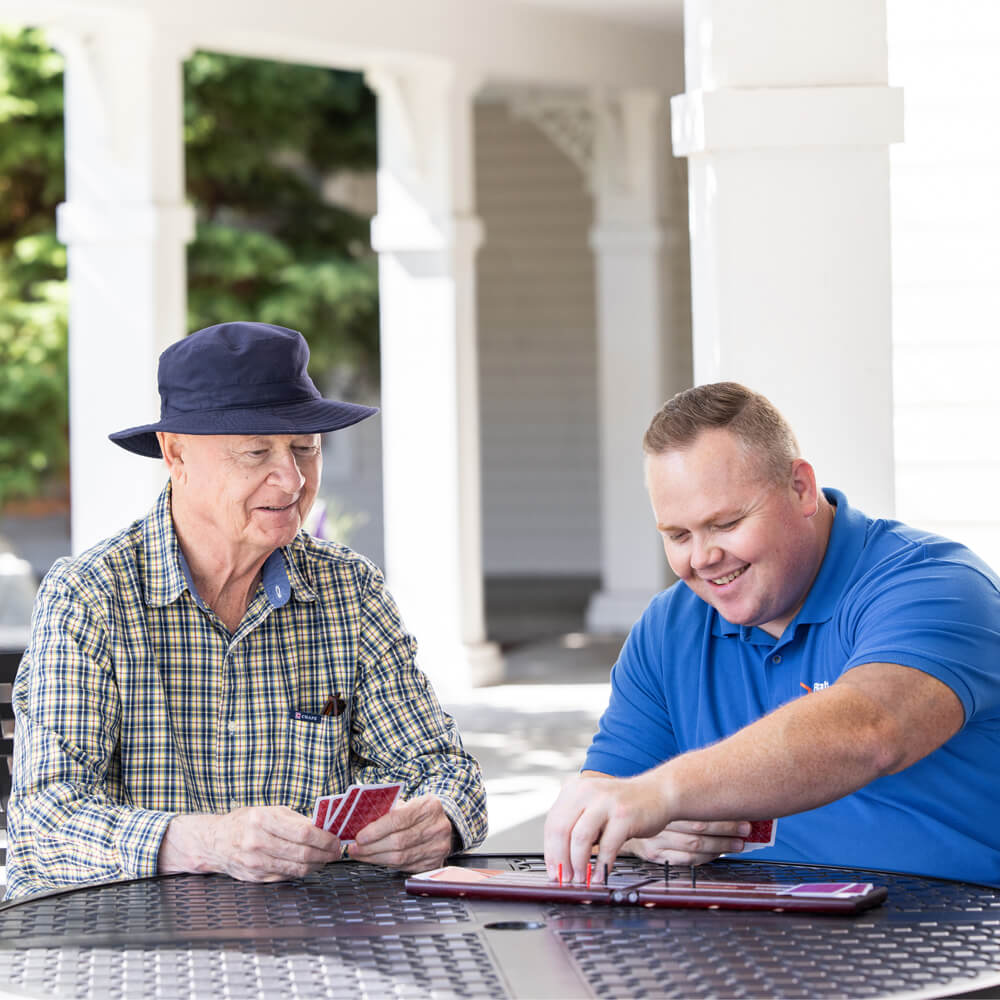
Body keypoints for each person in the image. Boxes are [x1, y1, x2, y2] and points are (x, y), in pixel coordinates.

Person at [6, 321, 487, 900]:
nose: (291, 478)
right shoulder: (90, 597)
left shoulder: (349, 591)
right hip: (132, 946)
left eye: (306, 448)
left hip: (312, 939)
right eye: (256, 451)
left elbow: (446, 771)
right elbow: (43, 824)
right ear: (175, 454)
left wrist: (437, 819)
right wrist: (207, 843)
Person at [545, 382, 1000, 886]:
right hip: (737, 937)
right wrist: (634, 833)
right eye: (678, 536)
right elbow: (606, 795)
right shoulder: (667, 627)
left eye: (726, 523)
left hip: (951, 933)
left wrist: (660, 795)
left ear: (801, 488)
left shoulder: (938, 584)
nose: (701, 558)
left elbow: (869, 731)